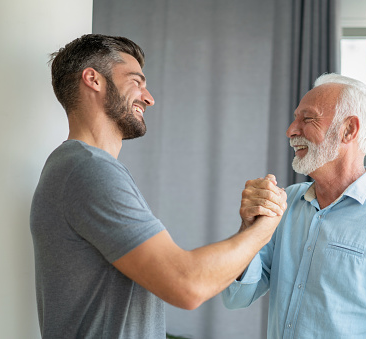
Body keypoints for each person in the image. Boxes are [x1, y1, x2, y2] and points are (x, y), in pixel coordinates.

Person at [30, 34, 287, 339]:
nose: (148, 97)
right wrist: (265, 229)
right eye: (136, 81)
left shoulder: (74, 167)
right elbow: (187, 285)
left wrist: (248, 231)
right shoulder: (88, 170)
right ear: (93, 80)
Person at [222, 73, 366, 338]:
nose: (291, 130)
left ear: (349, 129)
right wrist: (248, 228)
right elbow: (236, 297)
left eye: (307, 119)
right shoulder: (286, 202)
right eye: (295, 119)